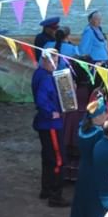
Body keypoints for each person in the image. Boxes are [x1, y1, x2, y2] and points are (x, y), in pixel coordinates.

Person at [62, 98, 108, 217]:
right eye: (104, 113)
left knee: (81, 207)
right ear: (97, 117)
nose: (107, 115)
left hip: (84, 171)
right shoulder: (100, 134)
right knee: (95, 209)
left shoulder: (82, 129)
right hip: (95, 172)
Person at [32, 49, 69, 207]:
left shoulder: (39, 73)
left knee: (48, 157)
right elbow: (41, 100)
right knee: (58, 159)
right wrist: (51, 113)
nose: (56, 65)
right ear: (46, 61)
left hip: (44, 123)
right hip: (51, 124)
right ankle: (55, 195)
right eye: (54, 62)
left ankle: (46, 189)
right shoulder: (46, 78)